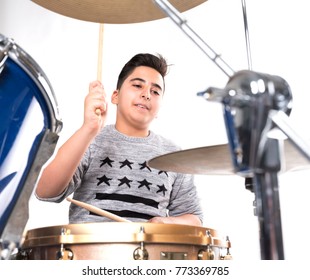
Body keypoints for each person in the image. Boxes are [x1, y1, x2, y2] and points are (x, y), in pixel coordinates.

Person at [35, 53, 203, 226]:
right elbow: (45, 191)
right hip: (89, 250)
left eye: (155, 91)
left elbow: (194, 219)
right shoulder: (90, 140)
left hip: (148, 251)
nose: (146, 94)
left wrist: (166, 223)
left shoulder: (173, 154)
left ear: (160, 106)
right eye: (138, 85)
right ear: (115, 96)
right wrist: (88, 129)